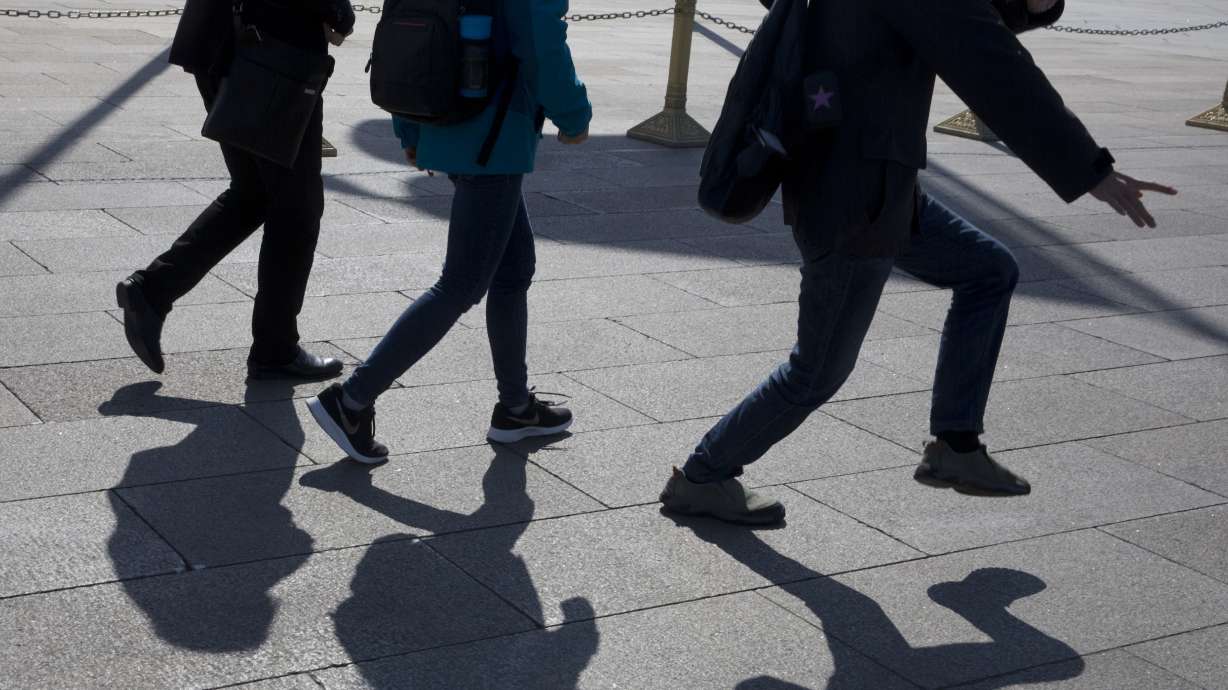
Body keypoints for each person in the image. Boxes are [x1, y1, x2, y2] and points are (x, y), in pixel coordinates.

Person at [660, 0, 1178, 525]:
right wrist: (1090, 169)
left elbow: (945, 17)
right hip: (858, 196)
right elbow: (990, 63)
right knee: (815, 371)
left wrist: (1028, 5)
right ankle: (703, 475)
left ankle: (956, 444)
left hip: (869, 177)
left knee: (988, 270)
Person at [306, 0, 592, 463]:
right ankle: (352, 400)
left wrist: (409, 129)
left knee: (514, 268)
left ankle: (515, 408)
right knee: (461, 283)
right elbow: (542, 42)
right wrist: (574, 114)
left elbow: (405, 31)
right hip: (493, 134)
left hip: (443, 115)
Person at [115, 0, 355, 380]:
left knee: (255, 191)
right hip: (272, 49)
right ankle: (275, 349)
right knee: (297, 208)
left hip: (224, 37)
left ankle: (152, 291)